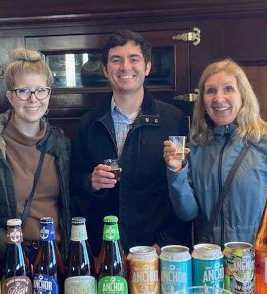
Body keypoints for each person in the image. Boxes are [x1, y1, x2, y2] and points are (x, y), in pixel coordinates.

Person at [71, 30, 188, 255]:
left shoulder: (173, 120)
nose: (125, 67)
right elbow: (73, 186)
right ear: (105, 70)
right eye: (116, 60)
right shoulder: (89, 122)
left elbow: (184, 190)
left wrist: (164, 244)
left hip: (158, 251)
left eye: (134, 59)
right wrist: (90, 182)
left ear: (147, 67)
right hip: (104, 250)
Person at [164, 59, 267, 246]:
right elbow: (187, 212)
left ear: (243, 95)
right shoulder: (196, 146)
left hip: (258, 259)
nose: (218, 99)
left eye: (228, 89)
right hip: (211, 263)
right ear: (202, 101)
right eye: (211, 90)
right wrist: (176, 171)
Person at [0, 48, 71, 265]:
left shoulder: (61, 143)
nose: (33, 99)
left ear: (49, 94)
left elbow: (72, 202)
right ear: (10, 96)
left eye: (40, 90)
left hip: (55, 257)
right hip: (9, 260)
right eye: (23, 91)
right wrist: (12, 250)